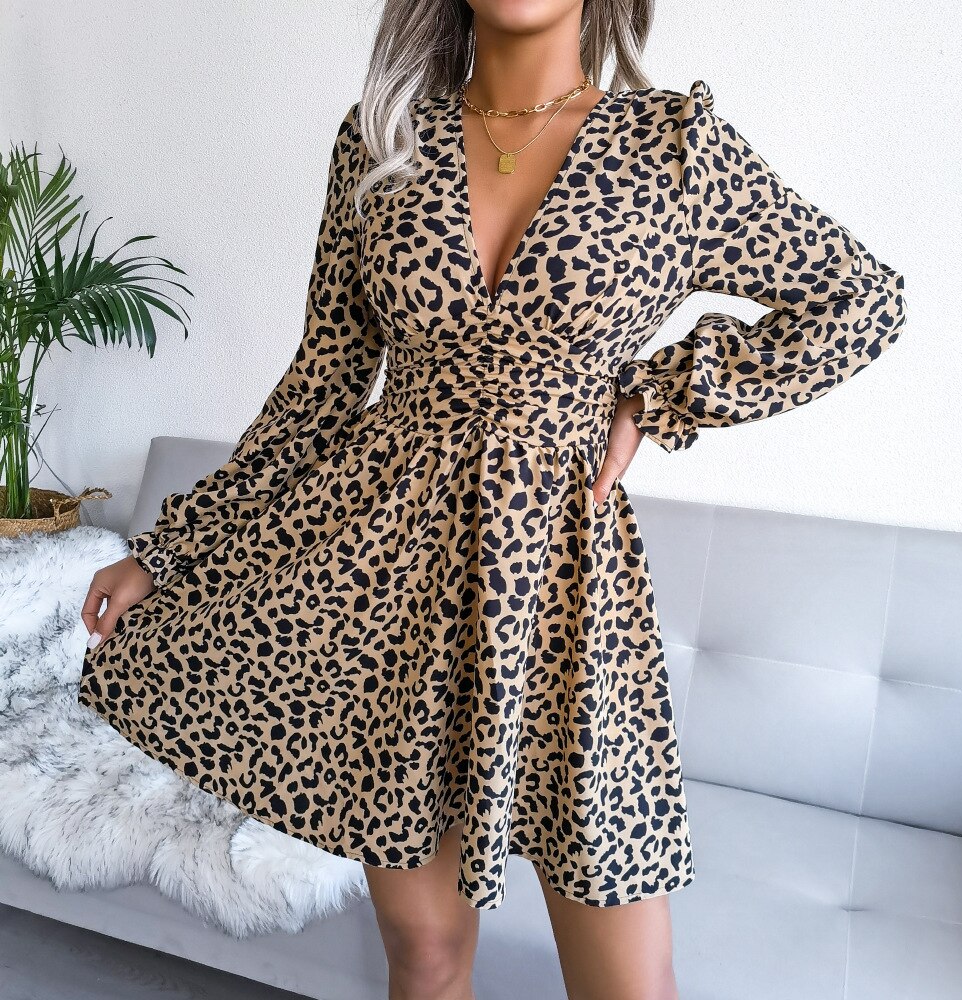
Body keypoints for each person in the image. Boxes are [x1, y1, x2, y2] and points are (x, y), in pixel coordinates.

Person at [78, 2, 907, 998]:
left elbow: (862, 298)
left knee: (629, 985)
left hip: (566, 597)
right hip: (390, 594)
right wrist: (169, 550)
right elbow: (321, 384)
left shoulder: (674, 150)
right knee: (425, 955)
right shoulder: (380, 139)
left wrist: (659, 396)